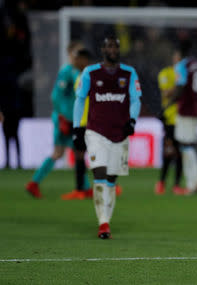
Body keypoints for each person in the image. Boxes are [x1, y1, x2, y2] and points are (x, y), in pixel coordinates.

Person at [72, 35, 142, 239]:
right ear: (102, 50)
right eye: (109, 46)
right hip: (96, 132)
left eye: (116, 46)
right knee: (100, 175)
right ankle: (103, 223)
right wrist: (78, 128)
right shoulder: (90, 72)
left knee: (112, 178)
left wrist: (132, 121)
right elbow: (79, 99)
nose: (112, 49)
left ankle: (106, 219)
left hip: (119, 134)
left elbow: (136, 99)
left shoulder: (129, 73)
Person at [25, 44, 92, 198]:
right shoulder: (67, 72)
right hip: (64, 119)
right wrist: (64, 117)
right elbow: (56, 96)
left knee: (77, 152)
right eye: (77, 54)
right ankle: (34, 183)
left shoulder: (76, 72)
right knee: (59, 152)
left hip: (71, 118)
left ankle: (85, 187)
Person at [169, 40, 197, 194]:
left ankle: (195, 182)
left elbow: (180, 87)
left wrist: (169, 104)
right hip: (196, 106)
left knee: (185, 145)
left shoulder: (181, 66)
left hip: (185, 108)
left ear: (179, 53)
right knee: (188, 144)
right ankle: (195, 181)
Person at [154, 50, 189, 196]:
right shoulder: (165, 73)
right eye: (177, 59)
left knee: (181, 153)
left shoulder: (185, 75)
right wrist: (180, 85)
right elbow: (166, 93)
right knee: (168, 152)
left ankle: (176, 185)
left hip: (182, 118)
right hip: (169, 118)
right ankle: (161, 182)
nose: (178, 62)